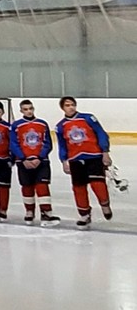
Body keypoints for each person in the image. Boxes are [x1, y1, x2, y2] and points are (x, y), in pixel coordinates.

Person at [56, 96, 113, 226]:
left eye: (72, 105)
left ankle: (104, 204)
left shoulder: (88, 118)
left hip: (94, 156)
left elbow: (101, 133)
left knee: (98, 184)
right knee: (79, 188)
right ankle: (84, 214)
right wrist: (64, 161)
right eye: (67, 105)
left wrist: (105, 152)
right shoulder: (60, 126)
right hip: (75, 159)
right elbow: (62, 145)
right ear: (62, 108)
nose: (70, 107)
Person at [11, 100, 59, 223]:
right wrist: (23, 158)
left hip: (41, 161)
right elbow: (14, 143)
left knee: (42, 185)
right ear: (21, 111)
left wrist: (40, 157)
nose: (29, 111)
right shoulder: (16, 125)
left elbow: (47, 143)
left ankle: (46, 212)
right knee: (27, 186)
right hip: (23, 162)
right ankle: (29, 211)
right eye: (25, 109)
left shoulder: (42, 124)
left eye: (30, 108)